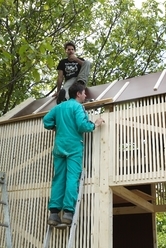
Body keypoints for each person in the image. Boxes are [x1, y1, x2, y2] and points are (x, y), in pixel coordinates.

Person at [43, 82, 105, 226]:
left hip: (59, 147)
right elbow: (82, 126)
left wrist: (56, 126)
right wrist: (95, 124)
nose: (85, 95)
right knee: (72, 177)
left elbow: (46, 122)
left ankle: (53, 215)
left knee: (59, 178)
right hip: (73, 147)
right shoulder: (78, 107)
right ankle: (68, 213)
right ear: (78, 94)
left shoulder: (59, 107)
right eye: (84, 93)